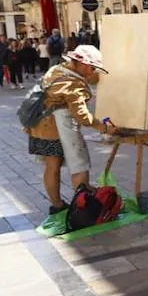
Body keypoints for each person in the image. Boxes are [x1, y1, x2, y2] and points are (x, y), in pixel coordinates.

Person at [24, 45, 116, 217]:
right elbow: (82, 116)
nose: (92, 71)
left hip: (40, 125)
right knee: (79, 163)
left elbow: (89, 79)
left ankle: (57, 205)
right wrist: (103, 127)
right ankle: (81, 206)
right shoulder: (72, 83)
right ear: (82, 63)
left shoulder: (57, 69)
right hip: (56, 127)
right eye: (91, 67)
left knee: (52, 166)